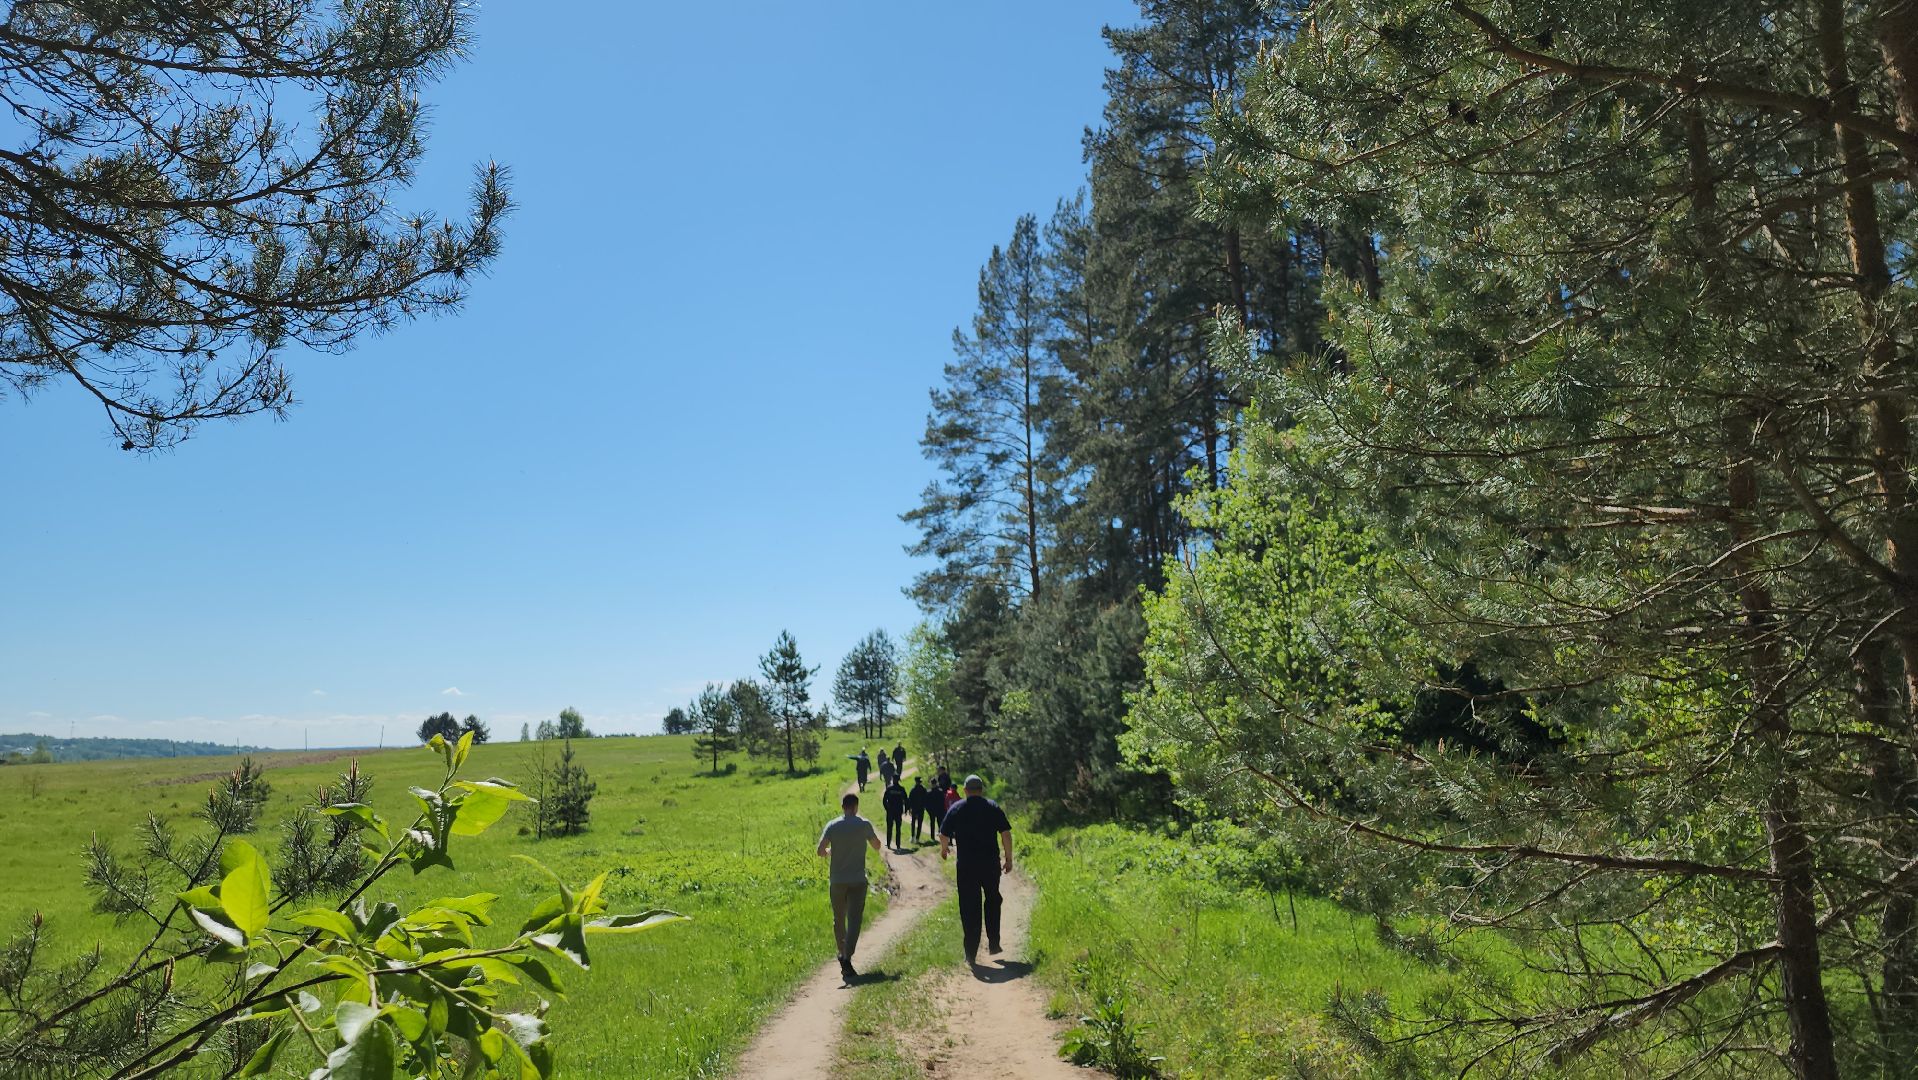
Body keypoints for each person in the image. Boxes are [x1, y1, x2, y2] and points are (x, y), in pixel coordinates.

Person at [939, 774, 1013, 965]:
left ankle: (970, 953)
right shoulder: (992, 807)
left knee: (969, 906)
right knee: (993, 899)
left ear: (965, 790)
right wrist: (1009, 858)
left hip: (967, 866)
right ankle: (994, 942)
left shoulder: (957, 808)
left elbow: (943, 833)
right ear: (981, 790)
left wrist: (944, 849)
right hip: (989, 864)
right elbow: (1005, 833)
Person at [817, 791, 882, 979]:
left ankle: (841, 951)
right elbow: (877, 846)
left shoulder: (832, 825)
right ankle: (847, 957)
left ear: (843, 807)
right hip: (857, 879)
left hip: (837, 880)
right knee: (854, 920)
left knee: (839, 918)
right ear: (856, 807)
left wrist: (830, 851)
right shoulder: (863, 824)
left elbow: (820, 851)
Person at [881, 777, 907, 849]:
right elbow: (906, 800)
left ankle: (888, 844)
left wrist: (887, 808)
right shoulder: (901, 789)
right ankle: (898, 845)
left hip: (890, 811)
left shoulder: (889, 789)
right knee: (898, 829)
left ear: (893, 779)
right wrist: (905, 810)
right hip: (898, 811)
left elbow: (884, 800)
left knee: (889, 828)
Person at [907, 776, 931, 843]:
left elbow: (910, 800)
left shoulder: (913, 789)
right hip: (921, 808)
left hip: (914, 808)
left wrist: (909, 808)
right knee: (919, 823)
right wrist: (925, 807)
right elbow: (926, 799)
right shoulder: (923, 789)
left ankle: (912, 837)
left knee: (913, 823)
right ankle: (917, 838)